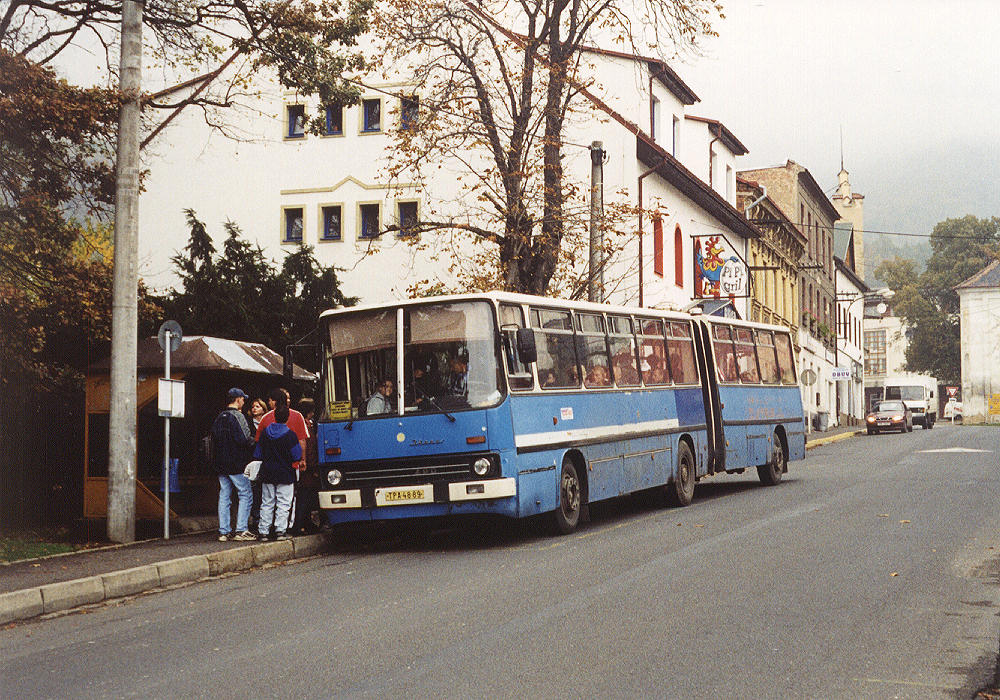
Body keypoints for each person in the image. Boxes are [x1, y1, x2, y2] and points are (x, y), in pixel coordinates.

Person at [210, 387, 256, 542]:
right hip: (237, 463)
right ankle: (241, 530)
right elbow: (245, 439)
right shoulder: (238, 417)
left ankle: (224, 531)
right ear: (238, 400)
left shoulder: (219, 417)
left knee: (224, 495)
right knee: (245, 494)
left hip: (221, 463)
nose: (244, 401)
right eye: (243, 399)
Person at [254, 404, 303, 541]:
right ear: (287, 418)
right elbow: (296, 455)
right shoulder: (291, 435)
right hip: (285, 473)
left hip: (267, 473)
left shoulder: (264, 433)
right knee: (284, 503)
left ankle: (263, 531)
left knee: (267, 502)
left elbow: (258, 453)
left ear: (274, 416)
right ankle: (280, 531)